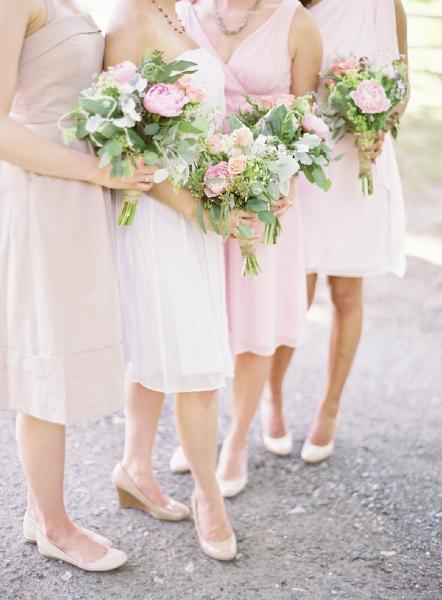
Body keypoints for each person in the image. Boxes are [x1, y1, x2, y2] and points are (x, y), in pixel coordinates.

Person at [0, 0, 157, 572]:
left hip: (79, 193)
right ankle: (52, 524)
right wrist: (96, 170)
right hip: (44, 195)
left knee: (63, 354)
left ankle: (42, 511)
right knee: (46, 360)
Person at [105, 0, 241, 561]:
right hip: (161, 215)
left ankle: (135, 468)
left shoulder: (181, 12)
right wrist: (192, 208)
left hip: (195, 210)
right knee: (197, 364)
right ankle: (209, 496)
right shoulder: (128, 20)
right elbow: (125, 143)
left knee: (165, 347)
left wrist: (235, 172)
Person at [170, 0, 323, 497]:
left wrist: (280, 186)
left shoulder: (297, 23)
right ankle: (200, 429)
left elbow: (306, 121)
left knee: (255, 323)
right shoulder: (183, 13)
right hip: (197, 192)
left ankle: (235, 442)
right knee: (201, 315)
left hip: (264, 197)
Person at [266, 0, 409, 464]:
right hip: (309, 163)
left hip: (360, 161)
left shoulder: (385, 6)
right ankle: (273, 398)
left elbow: (401, 83)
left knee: (347, 294)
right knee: (295, 292)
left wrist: (383, 121)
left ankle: (330, 408)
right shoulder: (295, 8)